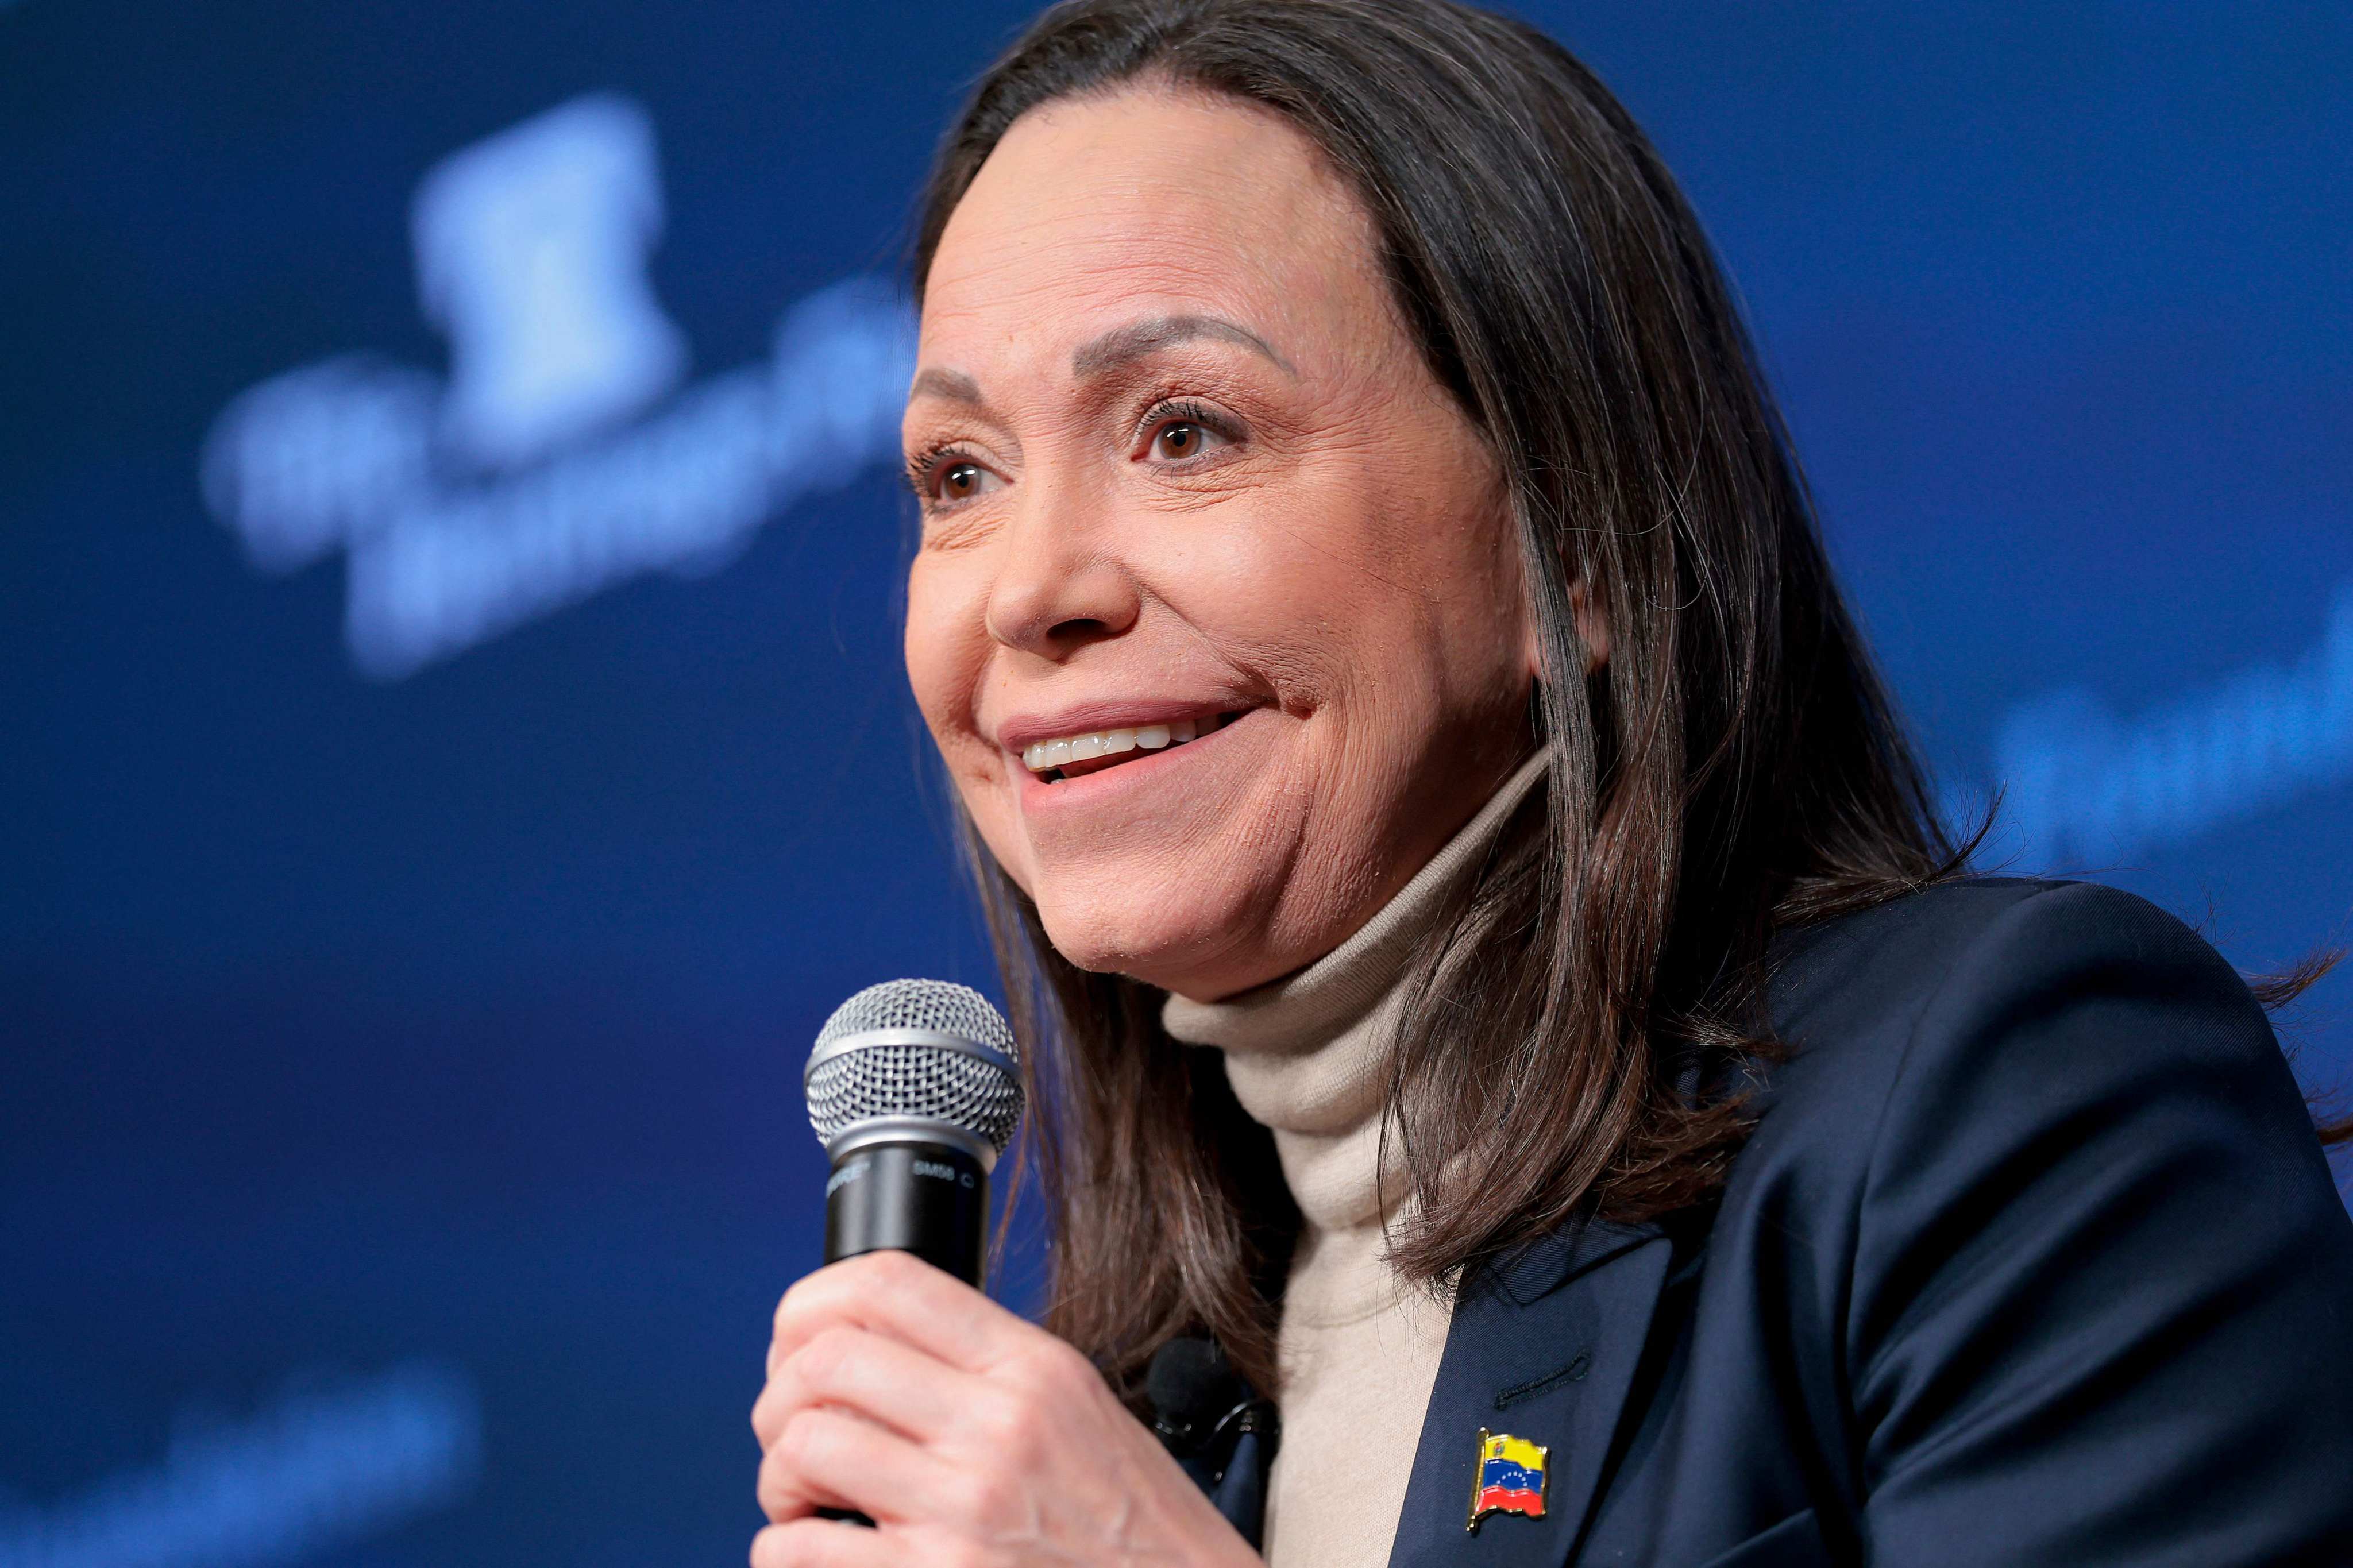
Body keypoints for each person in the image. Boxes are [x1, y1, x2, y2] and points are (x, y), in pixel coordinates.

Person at [746, 0, 2353, 1562]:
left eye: (1185, 431)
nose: (1030, 590)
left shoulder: (2018, 1098)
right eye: (960, 474)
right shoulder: (1148, 1407)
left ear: (1570, 544)